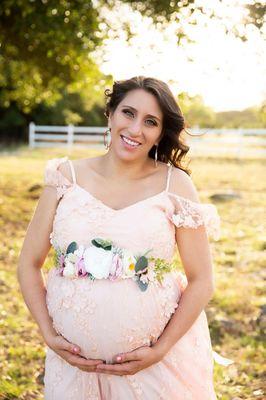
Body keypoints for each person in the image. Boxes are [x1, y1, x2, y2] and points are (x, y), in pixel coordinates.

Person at [17, 76, 226, 399]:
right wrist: (47, 332)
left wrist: (161, 349)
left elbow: (201, 280)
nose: (135, 129)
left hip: (157, 368)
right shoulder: (64, 177)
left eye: (151, 122)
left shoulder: (176, 185)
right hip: (74, 370)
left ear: (160, 132)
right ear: (111, 113)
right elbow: (29, 264)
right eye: (128, 113)